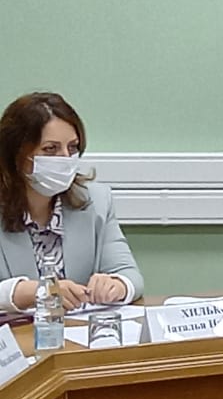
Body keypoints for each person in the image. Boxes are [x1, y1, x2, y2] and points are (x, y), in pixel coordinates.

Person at [0, 92, 144, 313]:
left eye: (73, 148)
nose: (65, 159)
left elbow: (130, 275)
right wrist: (28, 292)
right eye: (50, 149)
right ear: (16, 154)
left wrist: (117, 285)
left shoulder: (96, 201)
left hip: (77, 332)